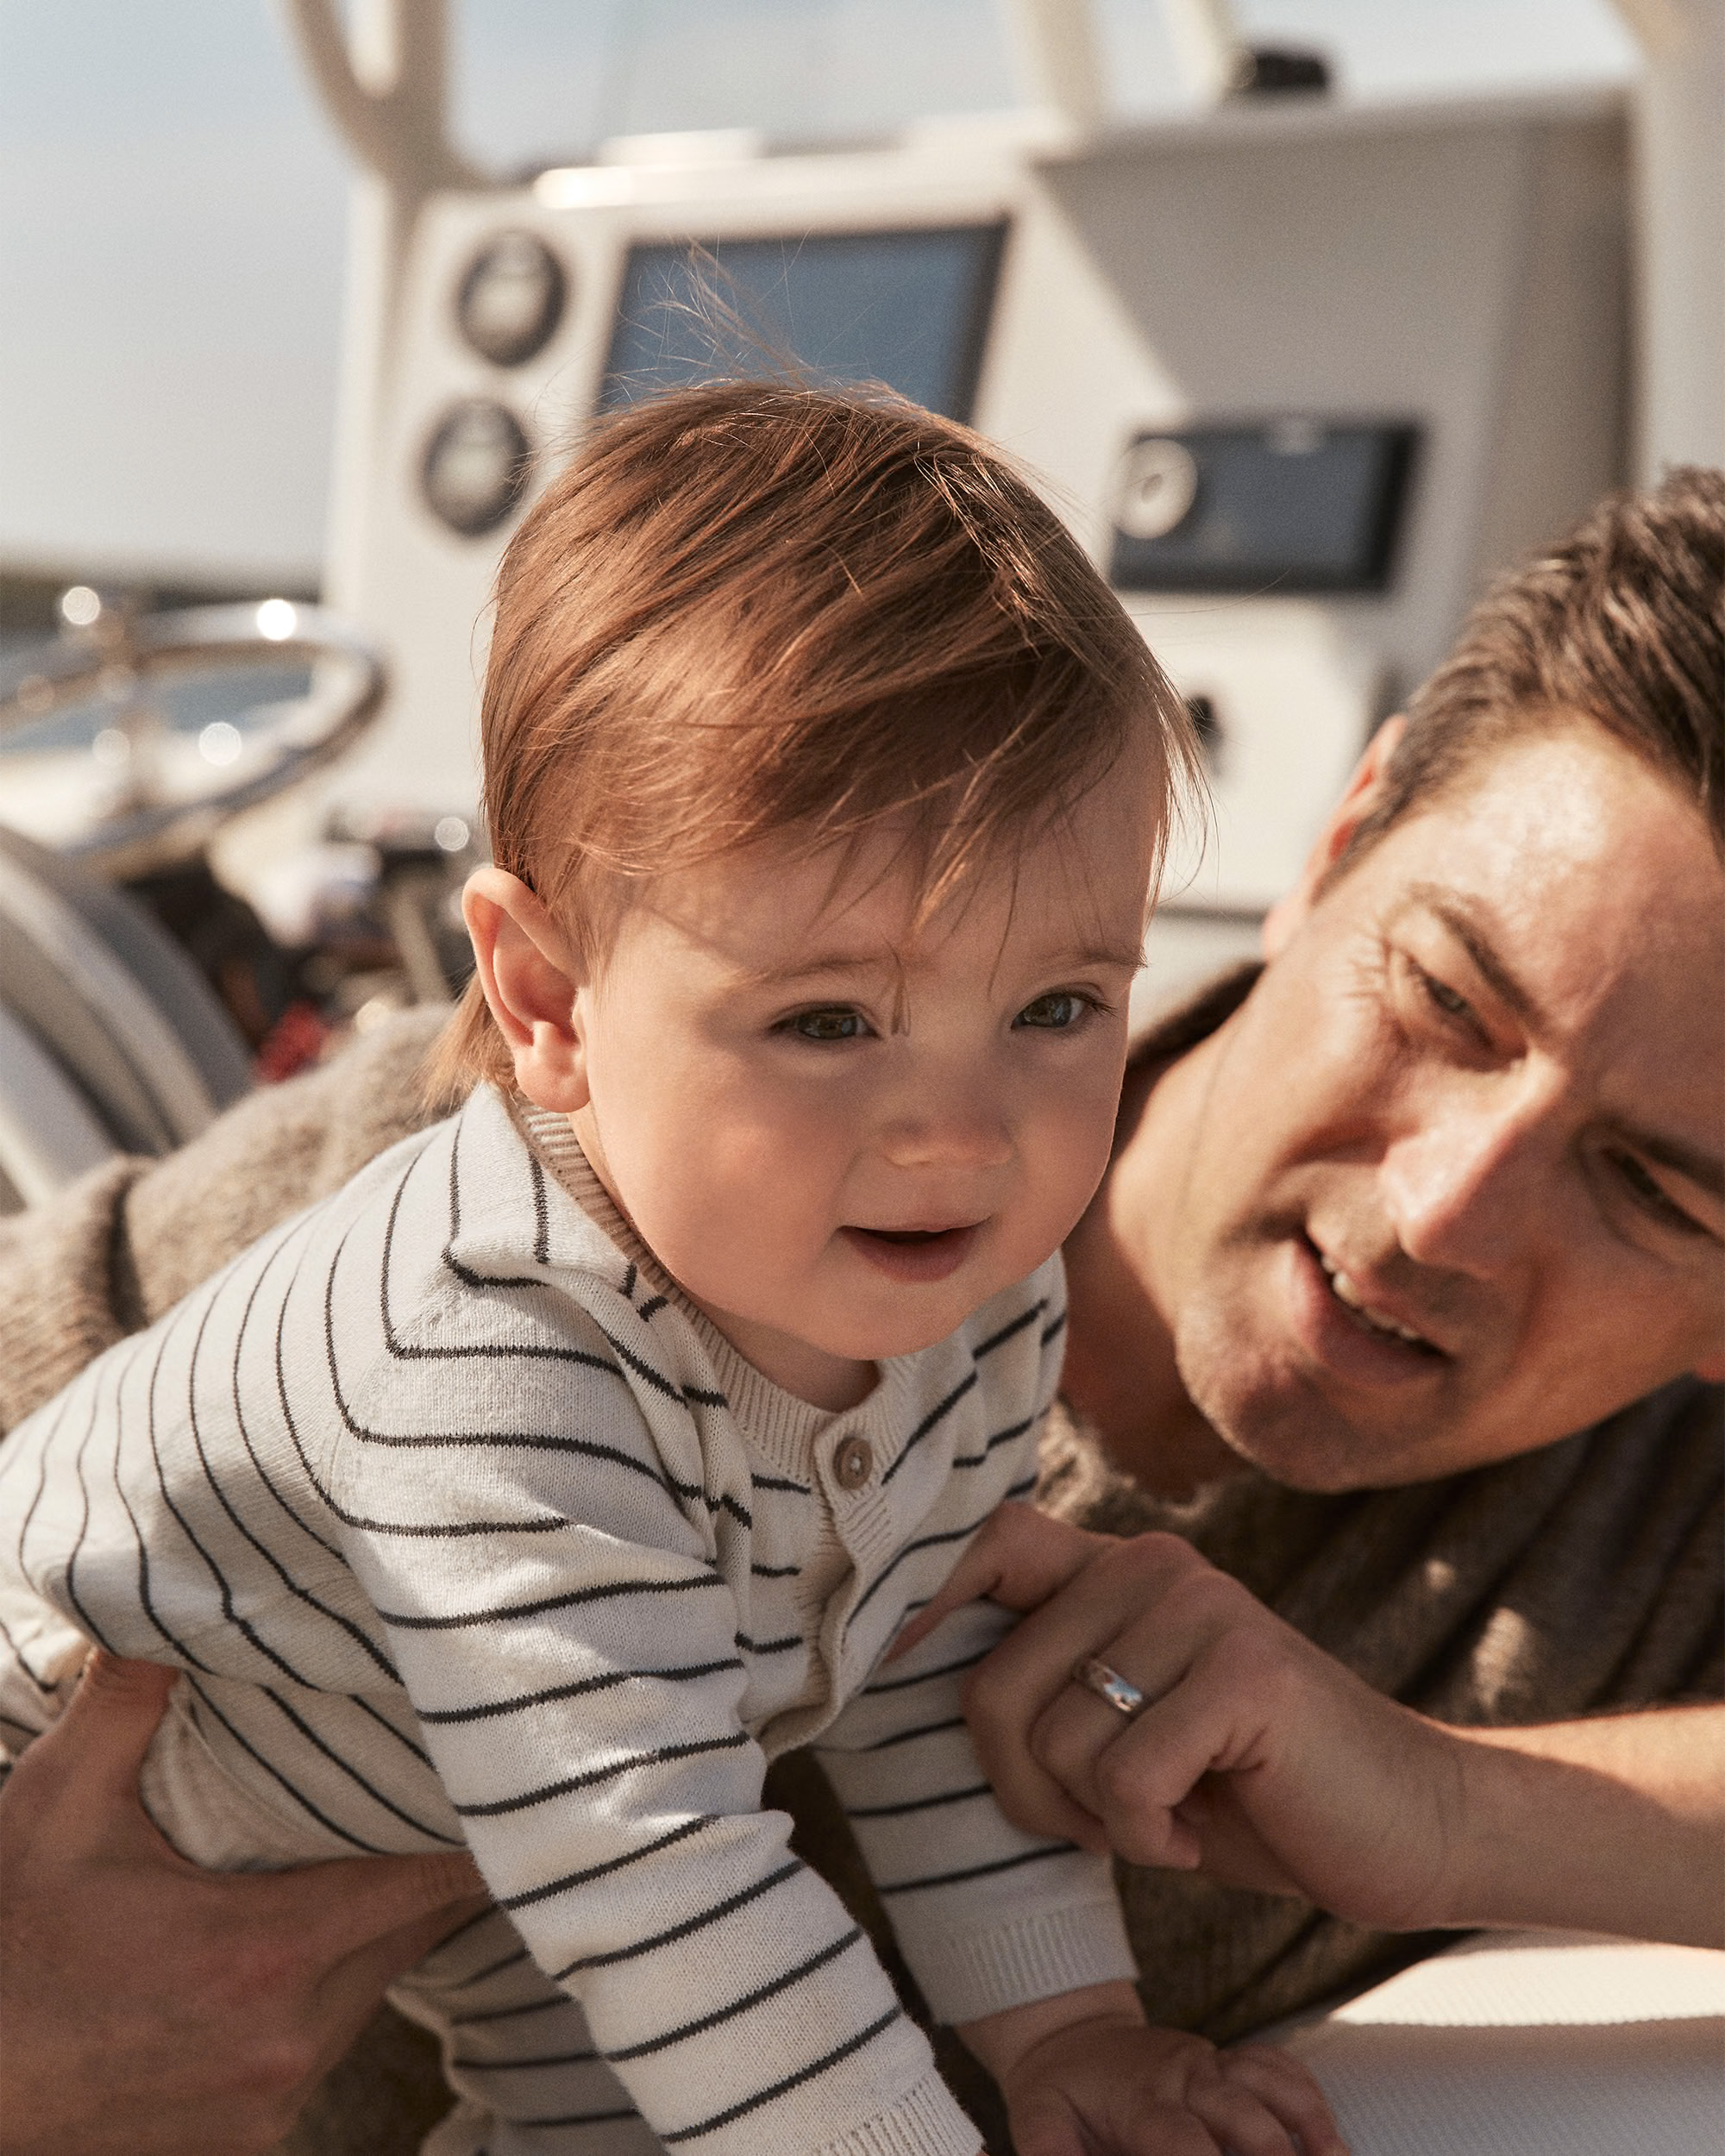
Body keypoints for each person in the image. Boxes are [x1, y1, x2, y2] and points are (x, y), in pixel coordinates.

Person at [1, 466, 1719, 2154]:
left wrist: (1416, 1828)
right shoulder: (475, 1315)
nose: (1445, 1209)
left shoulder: (970, 1315)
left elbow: (909, 1659)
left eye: (1654, 1183)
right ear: (543, 998)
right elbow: (665, 1876)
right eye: (1441, 997)